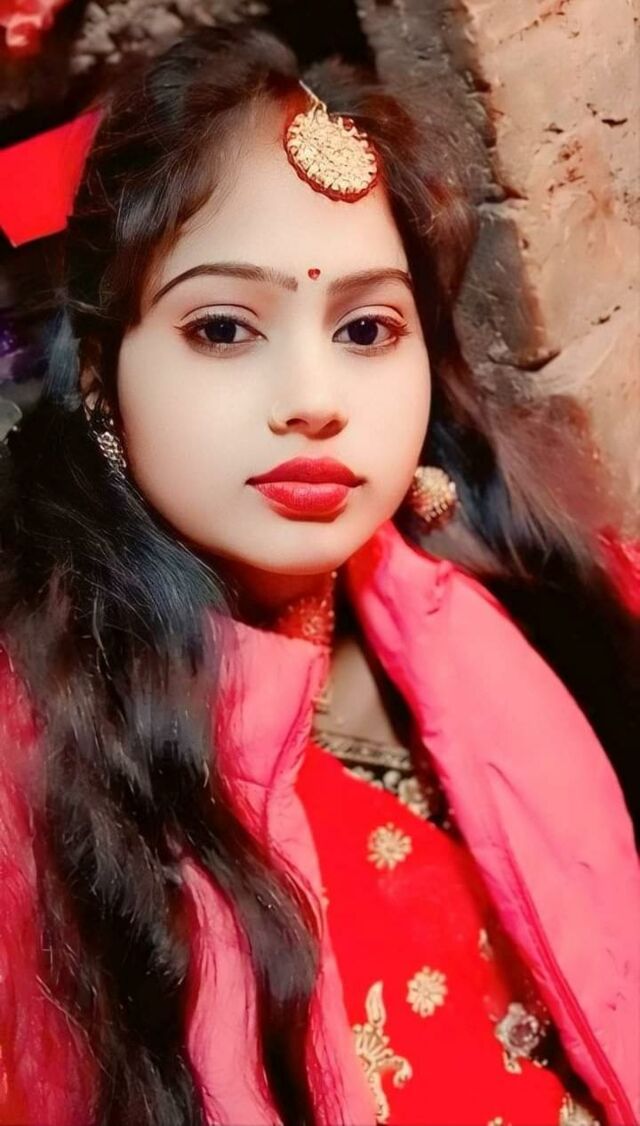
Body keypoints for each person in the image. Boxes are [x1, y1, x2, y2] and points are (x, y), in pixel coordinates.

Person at [0, 23, 637, 1126]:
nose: (313, 398)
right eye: (223, 328)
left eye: (366, 327)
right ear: (102, 379)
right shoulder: (47, 760)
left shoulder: (546, 604)